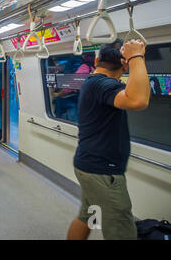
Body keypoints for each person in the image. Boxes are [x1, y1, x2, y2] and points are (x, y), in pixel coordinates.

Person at [67, 39, 150, 240]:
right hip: (102, 171)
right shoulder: (103, 85)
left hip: (90, 165)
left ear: (96, 60)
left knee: (88, 217)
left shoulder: (93, 83)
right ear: (124, 65)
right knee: (122, 231)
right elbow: (139, 100)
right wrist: (136, 57)